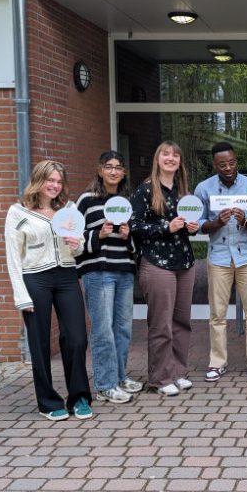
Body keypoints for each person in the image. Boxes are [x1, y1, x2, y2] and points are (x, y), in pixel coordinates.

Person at [4, 160, 93, 421]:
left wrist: (76, 244)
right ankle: (48, 402)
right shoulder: (18, 212)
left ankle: (79, 398)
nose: (55, 186)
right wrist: (20, 295)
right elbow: (13, 255)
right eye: (50, 180)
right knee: (39, 341)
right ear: (38, 180)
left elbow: (79, 247)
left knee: (76, 338)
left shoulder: (69, 209)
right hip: (35, 278)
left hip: (66, 275)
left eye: (59, 181)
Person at [194, 142, 247, 382]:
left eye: (232, 162)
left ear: (236, 160)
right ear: (214, 164)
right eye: (222, 164)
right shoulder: (203, 189)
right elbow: (197, 224)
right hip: (218, 257)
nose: (228, 168)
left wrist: (246, 222)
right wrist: (217, 222)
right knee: (217, 313)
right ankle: (217, 363)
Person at [130, 141, 200, 396]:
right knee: (161, 324)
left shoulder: (184, 192)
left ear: (180, 161)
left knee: (182, 322)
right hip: (157, 262)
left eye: (175, 155)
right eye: (165, 154)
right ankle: (160, 378)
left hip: (184, 262)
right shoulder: (146, 190)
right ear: (157, 159)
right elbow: (133, 225)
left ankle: (177, 372)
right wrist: (165, 227)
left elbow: (189, 226)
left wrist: (192, 228)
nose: (171, 158)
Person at [76, 150, 142, 404]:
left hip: (124, 270)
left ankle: (120, 377)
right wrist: (98, 235)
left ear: (124, 173)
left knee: (123, 329)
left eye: (118, 167)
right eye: (109, 166)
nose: (113, 171)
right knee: (103, 330)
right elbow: (74, 239)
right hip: (98, 272)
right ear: (100, 170)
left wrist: (128, 236)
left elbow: (136, 244)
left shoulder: (127, 201)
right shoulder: (87, 200)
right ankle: (105, 385)